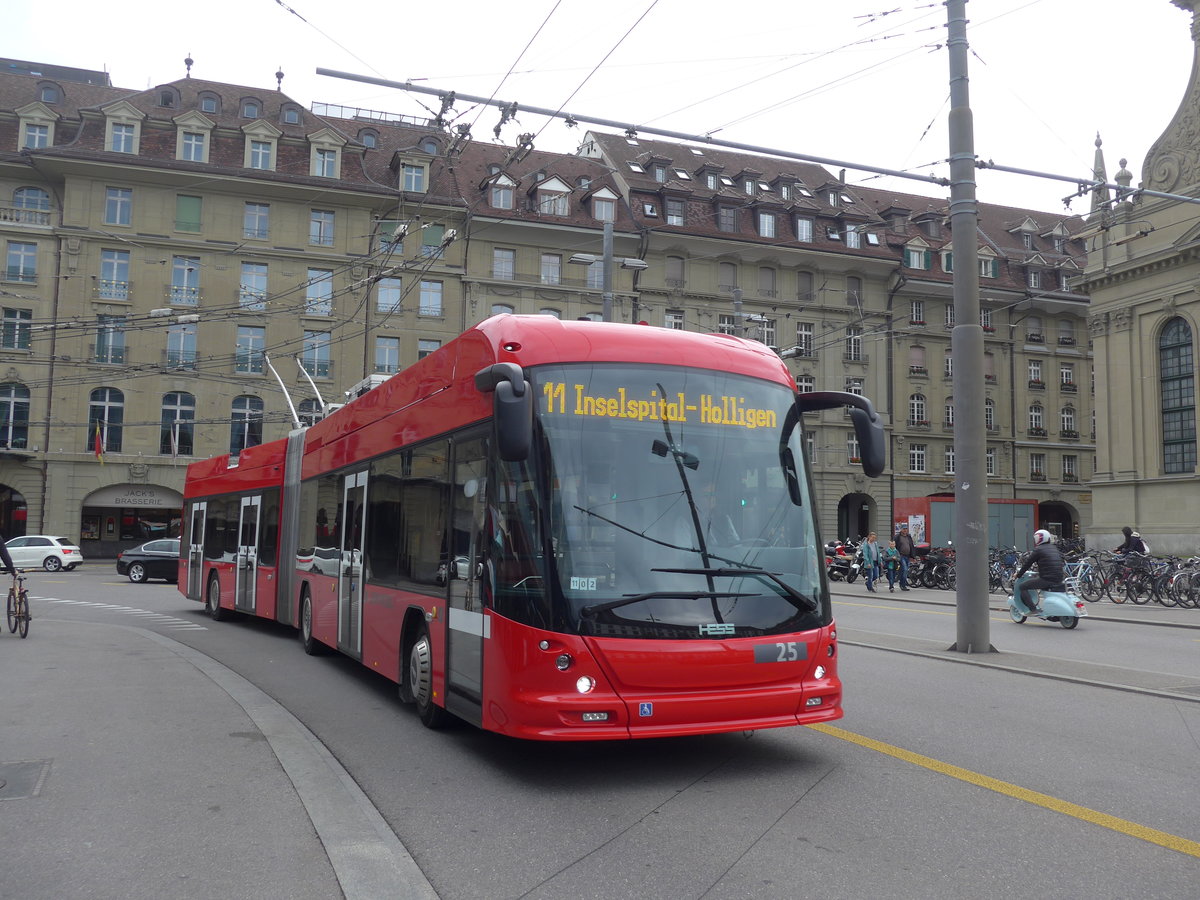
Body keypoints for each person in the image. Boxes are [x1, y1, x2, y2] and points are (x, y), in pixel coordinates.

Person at [1014, 528, 1065, 615]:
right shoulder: (1054, 548)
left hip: (1047, 579)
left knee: (1023, 586)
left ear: (1039, 538)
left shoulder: (1039, 549)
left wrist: (1018, 575)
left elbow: (1028, 563)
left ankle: (1033, 609)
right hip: (1059, 577)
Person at [894, 525, 915, 591]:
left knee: (903, 570)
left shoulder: (908, 536)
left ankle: (902, 582)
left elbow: (911, 546)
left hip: (907, 555)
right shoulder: (897, 537)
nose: (905, 530)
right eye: (904, 529)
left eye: (906, 529)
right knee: (905, 569)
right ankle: (903, 585)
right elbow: (894, 546)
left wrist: (913, 555)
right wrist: (896, 555)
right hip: (901, 555)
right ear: (901, 529)